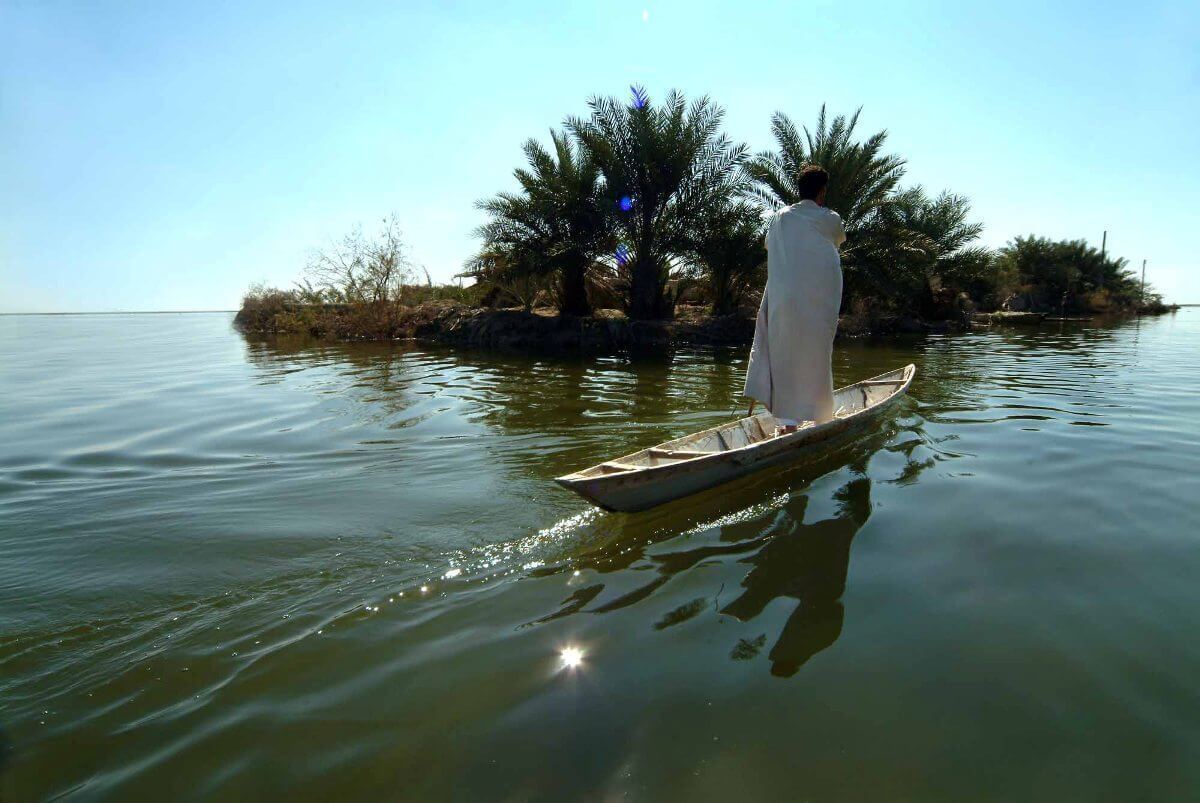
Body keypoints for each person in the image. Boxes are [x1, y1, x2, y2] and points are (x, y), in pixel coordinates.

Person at [743, 165, 846, 433]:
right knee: (817, 354)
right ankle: (821, 417)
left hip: (782, 303)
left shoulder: (779, 217)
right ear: (822, 192)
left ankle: (788, 423)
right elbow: (839, 237)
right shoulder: (828, 218)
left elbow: (769, 245)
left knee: (785, 355)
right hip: (815, 303)